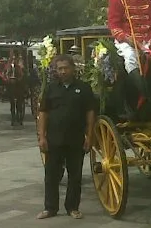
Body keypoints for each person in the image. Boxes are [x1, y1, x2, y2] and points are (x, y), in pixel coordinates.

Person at [36, 54, 96, 220]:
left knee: (75, 175)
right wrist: (42, 136)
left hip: (75, 138)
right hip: (54, 139)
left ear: (73, 69)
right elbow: (43, 113)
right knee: (51, 175)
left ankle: (72, 207)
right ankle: (50, 208)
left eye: (65, 68)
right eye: (59, 69)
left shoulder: (84, 88)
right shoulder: (51, 88)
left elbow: (90, 112)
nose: (62, 71)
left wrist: (89, 135)